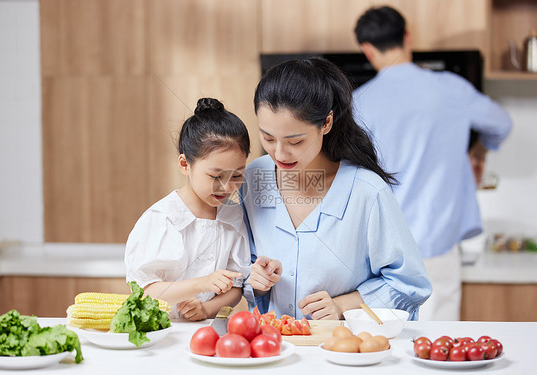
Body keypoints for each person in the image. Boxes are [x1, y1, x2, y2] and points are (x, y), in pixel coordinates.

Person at [241, 57, 432, 321]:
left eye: (295, 141)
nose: (279, 153)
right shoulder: (253, 177)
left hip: (342, 352)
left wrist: (345, 305)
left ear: (327, 123)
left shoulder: (367, 191)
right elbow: (240, 264)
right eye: (268, 138)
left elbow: (410, 285)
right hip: (272, 349)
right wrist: (254, 278)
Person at [353, 6, 512, 320]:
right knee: (437, 347)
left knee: (387, 346)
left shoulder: (357, 102)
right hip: (437, 244)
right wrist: (479, 151)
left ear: (367, 49)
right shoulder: (451, 89)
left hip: (380, 253)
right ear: (408, 38)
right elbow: (501, 123)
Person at [125, 98, 252, 321]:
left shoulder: (234, 217)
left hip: (210, 331)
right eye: (216, 176)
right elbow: (145, 293)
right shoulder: (160, 219)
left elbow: (236, 288)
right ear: (185, 165)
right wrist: (200, 284)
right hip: (164, 331)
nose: (227, 187)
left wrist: (206, 309)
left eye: (237, 175)